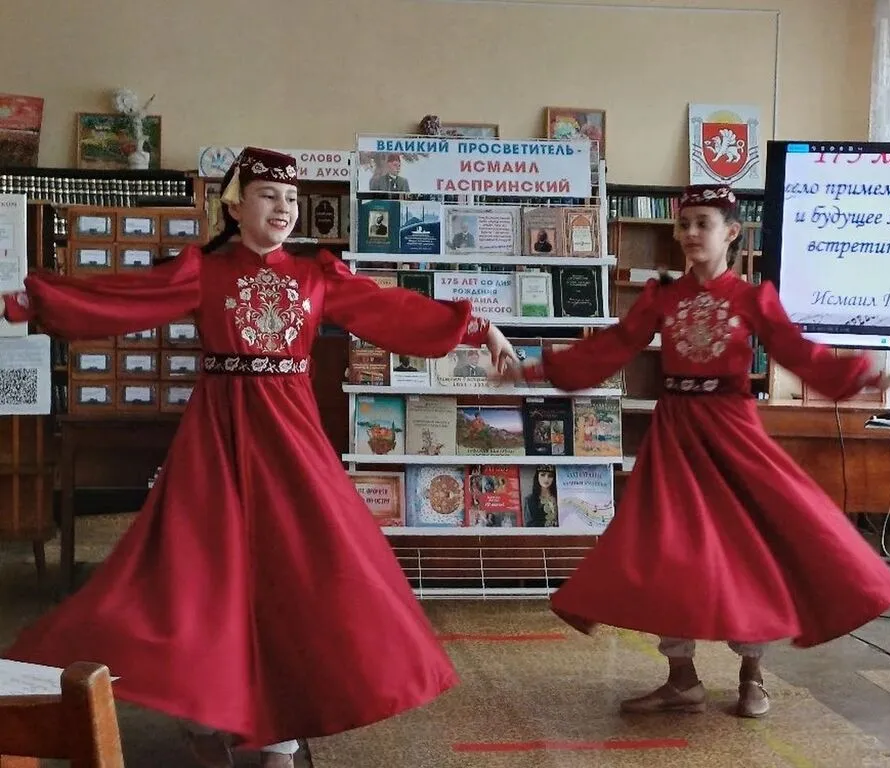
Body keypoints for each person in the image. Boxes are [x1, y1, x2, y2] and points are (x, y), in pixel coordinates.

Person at [1, 147, 519, 767]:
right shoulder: (203, 271)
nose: (283, 208)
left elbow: (390, 311)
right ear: (235, 204)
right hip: (218, 436)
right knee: (199, 572)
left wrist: (478, 328)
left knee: (301, 568)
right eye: (269, 195)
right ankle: (203, 717)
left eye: (291, 198)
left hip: (291, 437)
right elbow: (125, 296)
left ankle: (279, 733)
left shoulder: (316, 275)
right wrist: (31, 301)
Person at [493, 183, 890, 719]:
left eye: (704, 223)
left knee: (746, 550)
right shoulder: (662, 296)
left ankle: (752, 673)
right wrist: (533, 369)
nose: (691, 233)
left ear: (732, 232)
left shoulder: (752, 298)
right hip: (675, 435)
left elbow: (800, 354)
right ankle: (682, 679)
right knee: (667, 551)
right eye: (684, 224)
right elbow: (612, 347)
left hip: (731, 433)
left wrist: (873, 376)